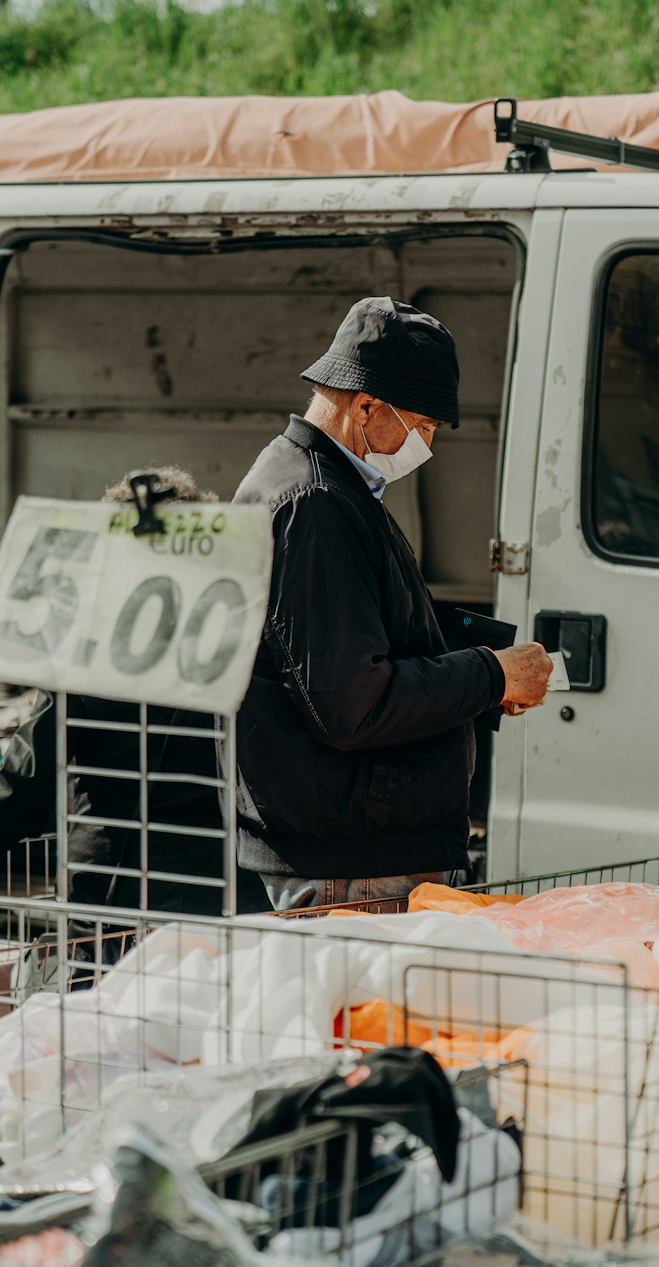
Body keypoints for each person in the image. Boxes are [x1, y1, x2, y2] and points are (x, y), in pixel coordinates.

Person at [232, 297, 552, 911]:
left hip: (347, 846)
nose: (426, 444)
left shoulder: (316, 484)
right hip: (351, 862)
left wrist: (483, 684)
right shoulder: (315, 502)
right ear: (367, 407)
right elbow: (353, 702)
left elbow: (362, 658)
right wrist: (489, 672)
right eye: (423, 426)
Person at [0, 466, 270, 918]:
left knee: (103, 987)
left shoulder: (89, 641)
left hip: (112, 880)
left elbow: (35, 760)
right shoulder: (235, 635)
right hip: (219, 876)